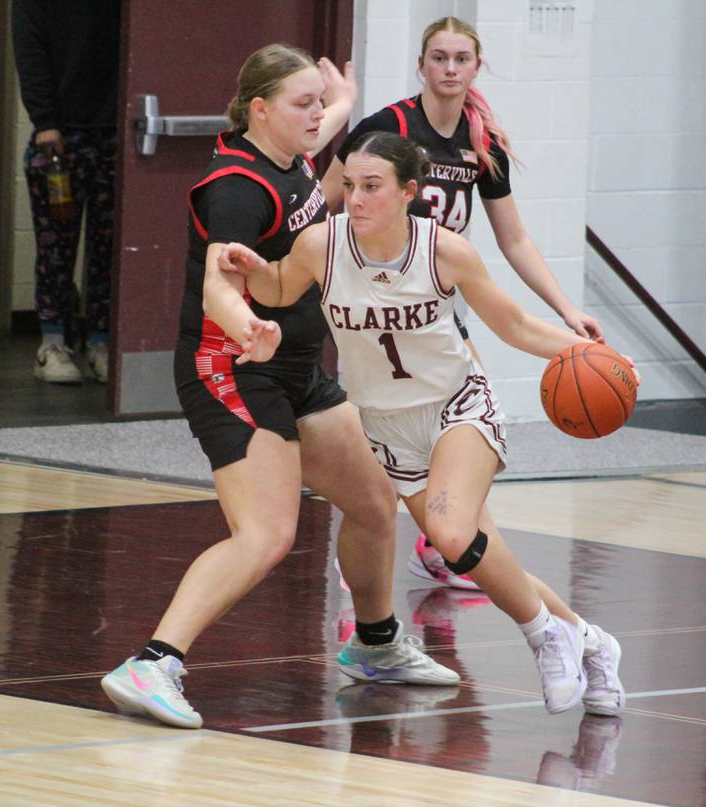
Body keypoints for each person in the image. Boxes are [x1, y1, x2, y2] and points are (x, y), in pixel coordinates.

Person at [100, 46, 460, 731]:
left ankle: (376, 645)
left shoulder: (289, 154)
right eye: (304, 104)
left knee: (374, 502)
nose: (317, 116)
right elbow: (219, 285)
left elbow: (324, 129)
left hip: (295, 369)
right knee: (265, 533)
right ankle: (151, 663)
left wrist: (341, 99)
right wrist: (248, 326)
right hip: (232, 368)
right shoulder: (237, 187)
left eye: (319, 104)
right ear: (260, 110)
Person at [219, 131, 631, 717]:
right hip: (387, 426)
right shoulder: (322, 244)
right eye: (350, 185)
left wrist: (590, 354)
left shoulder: (444, 251)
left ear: (408, 192)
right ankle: (590, 642)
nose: (355, 198)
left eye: (372, 187)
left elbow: (514, 326)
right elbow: (280, 287)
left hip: (456, 405)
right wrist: (252, 269)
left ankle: (546, 637)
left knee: (449, 532)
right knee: (480, 555)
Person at [323, 16, 604, 591]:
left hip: (433, 296)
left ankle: (440, 545)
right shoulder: (386, 129)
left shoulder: (482, 141)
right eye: (439, 57)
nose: (450, 69)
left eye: (461, 59)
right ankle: (371, 560)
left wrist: (565, 309)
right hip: (377, 295)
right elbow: (324, 199)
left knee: (467, 421)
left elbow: (514, 238)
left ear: (477, 67)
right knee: (389, 443)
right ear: (421, 65)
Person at [12, 0, 120, 384]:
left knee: (108, 248)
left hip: (114, 130)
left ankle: (102, 342)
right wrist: (44, 121)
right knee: (55, 247)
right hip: (59, 136)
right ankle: (52, 344)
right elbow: (30, 54)